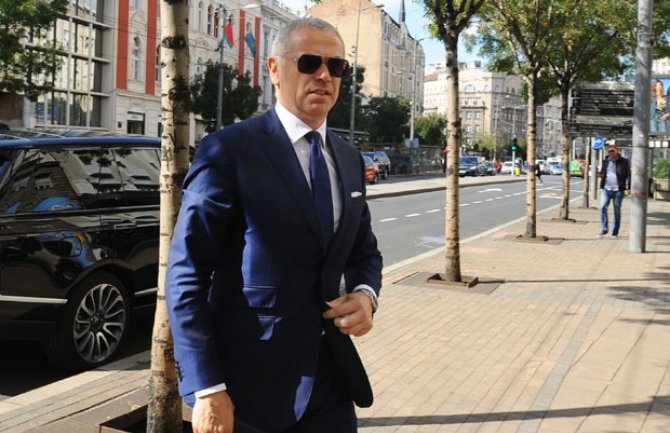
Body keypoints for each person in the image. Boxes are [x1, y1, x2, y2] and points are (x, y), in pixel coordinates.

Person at [165, 17, 383, 433]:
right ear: (274, 69)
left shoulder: (349, 159)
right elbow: (186, 274)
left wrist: (365, 295)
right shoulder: (229, 151)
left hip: (330, 383)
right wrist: (207, 387)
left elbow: (364, 252)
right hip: (248, 390)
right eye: (309, 62)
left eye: (336, 66)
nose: (324, 75)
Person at [598, 143, 630, 237]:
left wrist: (628, 188)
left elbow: (628, 175)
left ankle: (615, 231)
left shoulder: (624, 161)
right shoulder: (605, 161)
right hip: (606, 189)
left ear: (616, 151)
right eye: (609, 151)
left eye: (612, 151)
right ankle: (604, 229)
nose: (611, 153)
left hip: (618, 190)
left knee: (617, 210)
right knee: (602, 207)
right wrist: (600, 175)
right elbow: (603, 173)